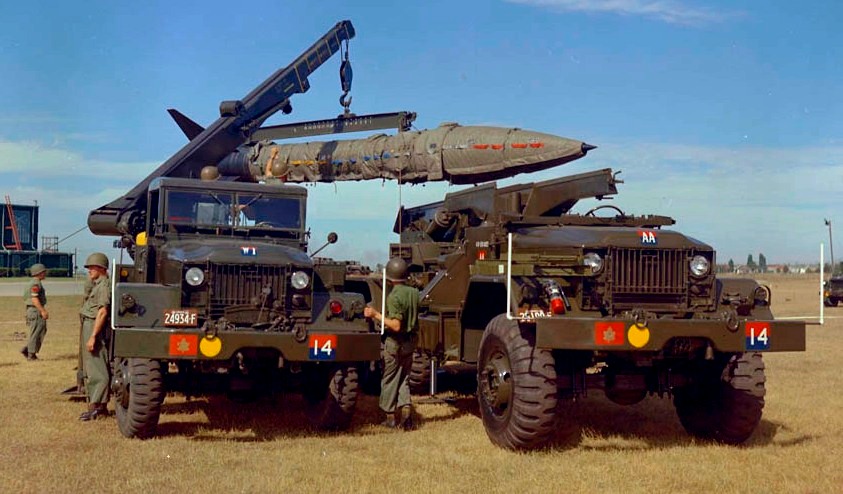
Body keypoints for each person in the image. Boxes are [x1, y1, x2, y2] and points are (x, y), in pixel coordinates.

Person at [363, 257, 420, 430]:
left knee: (389, 380)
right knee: (403, 379)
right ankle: (406, 414)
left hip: (395, 343)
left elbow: (395, 325)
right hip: (410, 343)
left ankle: (390, 419)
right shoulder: (414, 293)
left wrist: (375, 314)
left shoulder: (393, 296)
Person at [78, 253, 111, 421]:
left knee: (97, 368)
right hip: (89, 324)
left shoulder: (103, 286)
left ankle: (97, 406)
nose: (89, 270)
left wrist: (93, 336)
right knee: (91, 367)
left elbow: (102, 312)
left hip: (93, 326)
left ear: (101, 268)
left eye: (92, 267)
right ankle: (97, 405)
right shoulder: (98, 285)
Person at [21, 263, 48, 361]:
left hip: (33, 310)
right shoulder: (36, 284)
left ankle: (28, 349)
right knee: (36, 332)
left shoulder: (33, 282)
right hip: (35, 310)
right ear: (39, 273)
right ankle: (31, 354)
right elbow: (34, 299)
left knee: (40, 330)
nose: (45, 273)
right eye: (43, 272)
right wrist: (43, 311)